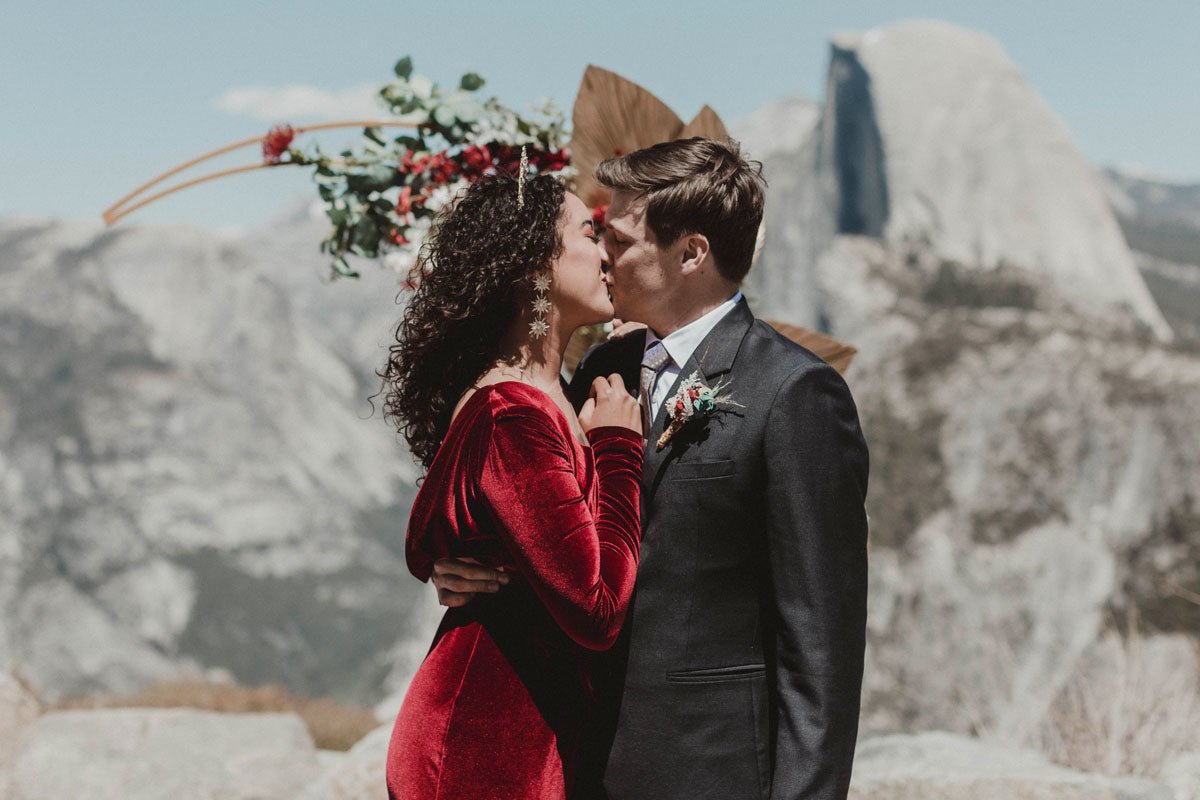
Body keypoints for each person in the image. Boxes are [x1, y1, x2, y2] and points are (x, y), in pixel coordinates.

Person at [433, 137, 870, 800]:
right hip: (581, 764)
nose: (602, 253)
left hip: (710, 774)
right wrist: (473, 561)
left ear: (691, 253)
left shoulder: (795, 393)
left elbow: (821, 650)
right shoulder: (605, 371)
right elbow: (569, 537)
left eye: (621, 238)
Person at [381, 170, 645, 800]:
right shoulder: (514, 415)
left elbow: (447, 533)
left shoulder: (551, 395)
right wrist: (617, 448)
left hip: (521, 735)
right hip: (483, 749)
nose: (610, 251)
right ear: (534, 263)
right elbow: (597, 606)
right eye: (590, 231)